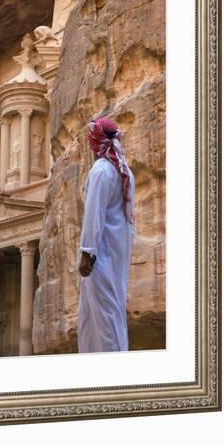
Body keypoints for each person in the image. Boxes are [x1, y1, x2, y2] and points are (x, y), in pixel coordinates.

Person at [77, 117, 135, 353]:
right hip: (115, 253)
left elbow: (94, 215)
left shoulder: (101, 170)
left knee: (105, 318)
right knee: (96, 316)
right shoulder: (122, 169)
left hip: (99, 257)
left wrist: (87, 253)